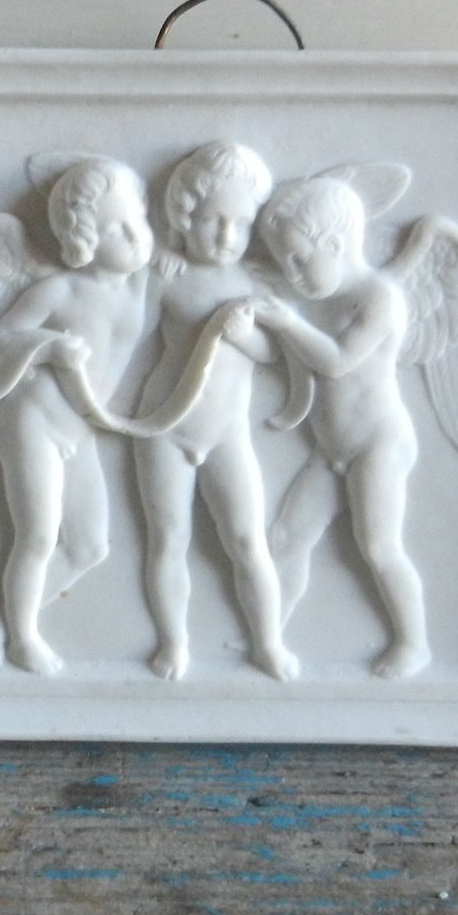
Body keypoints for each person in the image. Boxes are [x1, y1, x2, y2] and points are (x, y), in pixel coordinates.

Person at [250, 173, 432, 679]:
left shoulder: (379, 297)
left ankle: (414, 643)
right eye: (285, 263)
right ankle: (269, 634)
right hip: (331, 449)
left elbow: (335, 362)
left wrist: (287, 322)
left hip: (379, 443)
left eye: (298, 259)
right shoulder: (320, 295)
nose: (292, 274)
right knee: (286, 537)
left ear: (334, 243)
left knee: (379, 546)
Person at [0, 157, 154, 674]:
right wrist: (48, 345)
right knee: (38, 536)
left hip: (80, 428)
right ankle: (23, 638)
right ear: (83, 238)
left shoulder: (143, 284)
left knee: (90, 546)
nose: (135, 237)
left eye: (138, 221)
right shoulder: (59, 290)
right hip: (33, 420)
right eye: (116, 229)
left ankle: (2, 619)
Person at [133, 141, 298, 681]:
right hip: (164, 425)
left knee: (248, 540)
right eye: (213, 222)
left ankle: (268, 643)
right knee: (168, 540)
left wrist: (245, 336)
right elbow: (130, 335)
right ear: (185, 216)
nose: (228, 236)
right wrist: (149, 266)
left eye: (240, 224)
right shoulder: (168, 276)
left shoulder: (251, 283)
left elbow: (275, 355)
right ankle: (174, 643)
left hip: (227, 434)